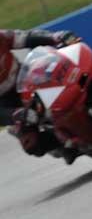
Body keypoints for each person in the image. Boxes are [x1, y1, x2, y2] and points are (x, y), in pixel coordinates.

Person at [0, 29, 79, 159]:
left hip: (25, 76)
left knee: (65, 75)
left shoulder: (2, 36)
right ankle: (63, 144)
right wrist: (14, 115)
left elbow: (27, 37)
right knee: (31, 145)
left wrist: (54, 37)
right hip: (7, 102)